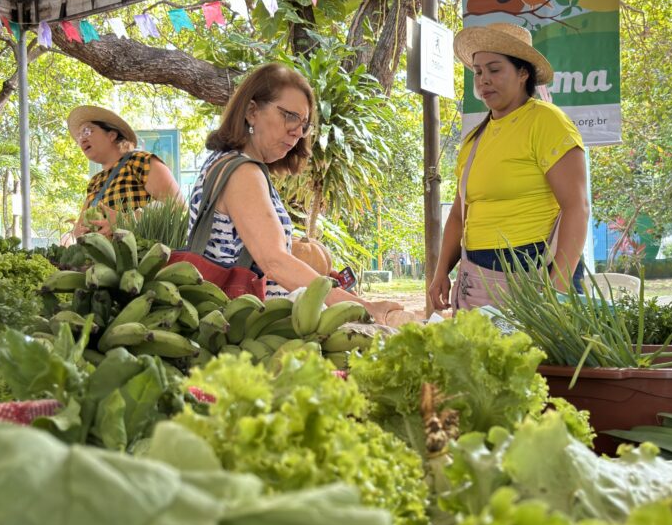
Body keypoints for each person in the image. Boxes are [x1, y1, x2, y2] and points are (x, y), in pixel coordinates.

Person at [189, 62, 403, 324]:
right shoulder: (243, 172)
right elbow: (274, 262)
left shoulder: (226, 162)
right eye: (289, 116)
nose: (298, 132)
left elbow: (255, 254)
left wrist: (321, 282)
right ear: (252, 111)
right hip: (241, 330)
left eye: (304, 124)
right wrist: (363, 307)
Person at [428, 22, 589, 311]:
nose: (483, 80)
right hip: (477, 275)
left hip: (537, 269)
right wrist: (442, 271)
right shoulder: (473, 140)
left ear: (523, 73)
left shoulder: (547, 121)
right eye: (478, 72)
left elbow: (577, 207)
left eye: (494, 69)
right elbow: (459, 214)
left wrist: (559, 285)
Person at [66, 106, 183, 239]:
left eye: (87, 131)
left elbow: (177, 204)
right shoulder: (95, 182)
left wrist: (127, 220)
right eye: (79, 136)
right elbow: (79, 229)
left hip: (144, 252)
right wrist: (79, 232)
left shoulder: (140, 161)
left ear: (112, 135)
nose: (81, 139)